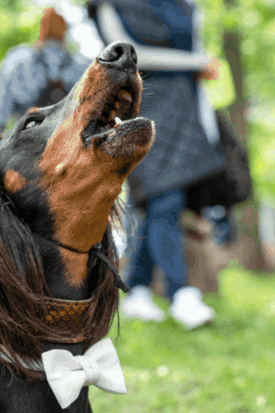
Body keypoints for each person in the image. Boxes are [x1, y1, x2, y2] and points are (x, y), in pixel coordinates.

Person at [90, 0, 225, 330]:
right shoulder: (107, 5)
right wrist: (196, 62)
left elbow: (197, 40)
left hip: (183, 110)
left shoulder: (183, 5)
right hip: (142, 106)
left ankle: (137, 291)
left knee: (160, 203)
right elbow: (129, 55)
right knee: (164, 199)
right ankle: (181, 294)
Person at [0, 8, 90, 134]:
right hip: (67, 140)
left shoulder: (17, 60)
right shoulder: (82, 65)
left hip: (28, 140)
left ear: (41, 29)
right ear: (64, 31)